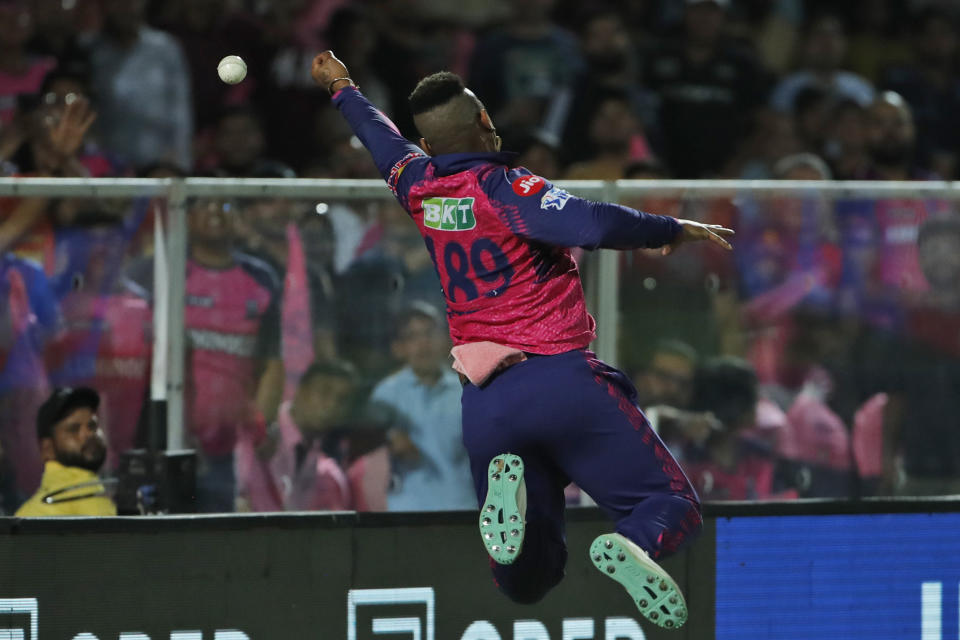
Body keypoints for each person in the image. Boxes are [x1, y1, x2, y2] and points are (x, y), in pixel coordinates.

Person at [311, 50, 734, 629]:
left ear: (429, 146)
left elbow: (378, 138)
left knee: (529, 582)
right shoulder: (505, 188)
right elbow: (592, 222)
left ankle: (512, 527)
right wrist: (670, 229)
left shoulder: (417, 186)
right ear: (485, 120)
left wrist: (342, 87)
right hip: (559, 380)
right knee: (671, 505)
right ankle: (635, 543)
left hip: (487, 407)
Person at [371, 301, 474, 511]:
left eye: (429, 333)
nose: (423, 343)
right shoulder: (385, 395)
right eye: (412, 336)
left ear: (446, 340)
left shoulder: (467, 391)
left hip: (462, 508)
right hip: (405, 512)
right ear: (399, 348)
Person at [15, 386, 116, 516]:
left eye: (92, 425)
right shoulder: (33, 517)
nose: (88, 434)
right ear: (47, 449)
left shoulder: (103, 496)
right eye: (74, 429)